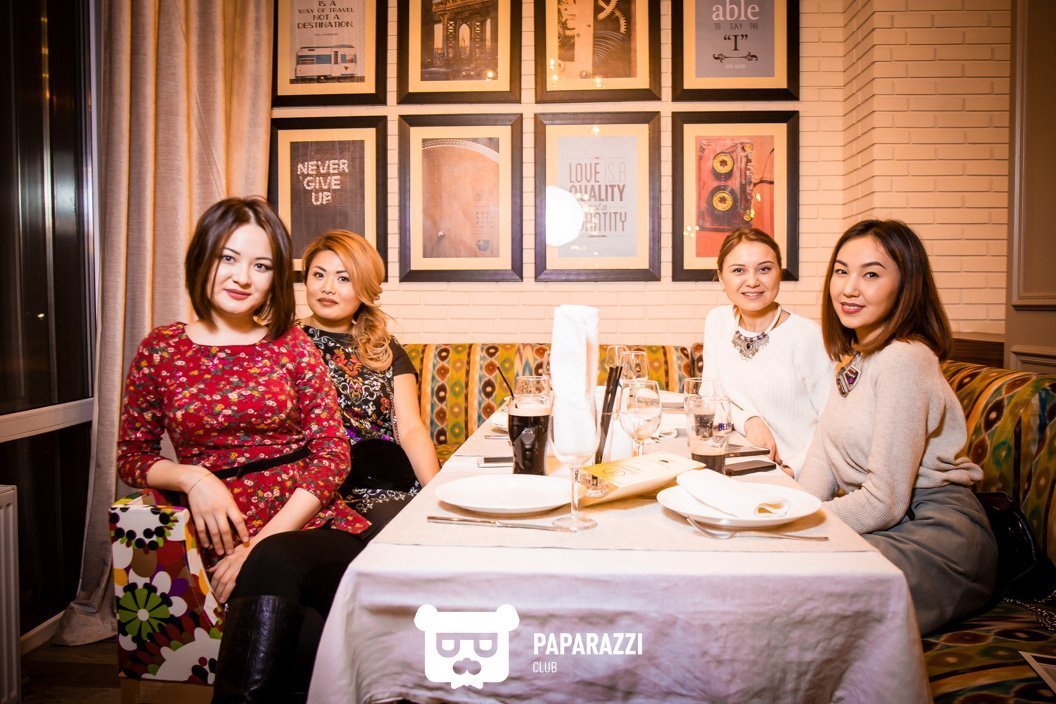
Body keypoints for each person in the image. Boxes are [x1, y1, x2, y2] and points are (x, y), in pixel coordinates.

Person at [117, 197, 371, 702]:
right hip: (216, 540)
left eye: (261, 265)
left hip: (312, 528)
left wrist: (259, 544)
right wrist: (194, 477)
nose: (242, 277)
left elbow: (332, 454)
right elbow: (132, 456)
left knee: (274, 564)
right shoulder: (161, 349)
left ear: (274, 278)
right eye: (228, 258)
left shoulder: (291, 344)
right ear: (202, 257)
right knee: (308, 640)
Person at [797, 219, 997, 634]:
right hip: (890, 522)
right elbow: (823, 459)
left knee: (800, 586)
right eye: (841, 271)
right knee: (768, 563)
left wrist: (792, 523)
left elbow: (885, 503)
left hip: (934, 533)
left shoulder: (905, 358)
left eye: (871, 274)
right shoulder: (855, 357)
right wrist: (788, 511)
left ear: (906, 285)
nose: (849, 288)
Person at [297, 230, 439, 524]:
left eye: (344, 278)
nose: (327, 288)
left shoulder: (384, 348)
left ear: (363, 287)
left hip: (381, 481)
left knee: (422, 527)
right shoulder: (284, 344)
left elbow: (410, 428)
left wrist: (436, 494)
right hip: (310, 486)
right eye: (319, 275)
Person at [701, 227, 832, 476]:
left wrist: (794, 469)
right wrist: (748, 421)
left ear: (779, 273)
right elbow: (708, 397)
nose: (752, 281)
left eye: (764, 269)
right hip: (739, 464)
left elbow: (834, 423)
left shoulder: (808, 336)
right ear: (721, 277)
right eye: (738, 270)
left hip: (797, 473)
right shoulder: (717, 321)